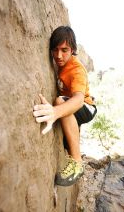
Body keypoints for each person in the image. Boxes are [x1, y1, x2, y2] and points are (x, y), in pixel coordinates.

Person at [33, 26, 97, 186]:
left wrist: (55, 112)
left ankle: (77, 163)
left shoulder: (77, 70)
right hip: (75, 105)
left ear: (73, 49)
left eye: (64, 50)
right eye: (55, 50)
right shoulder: (60, 64)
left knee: (61, 101)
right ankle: (72, 155)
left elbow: (78, 100)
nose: (59, 56)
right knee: (67, 142)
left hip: (87, 107)